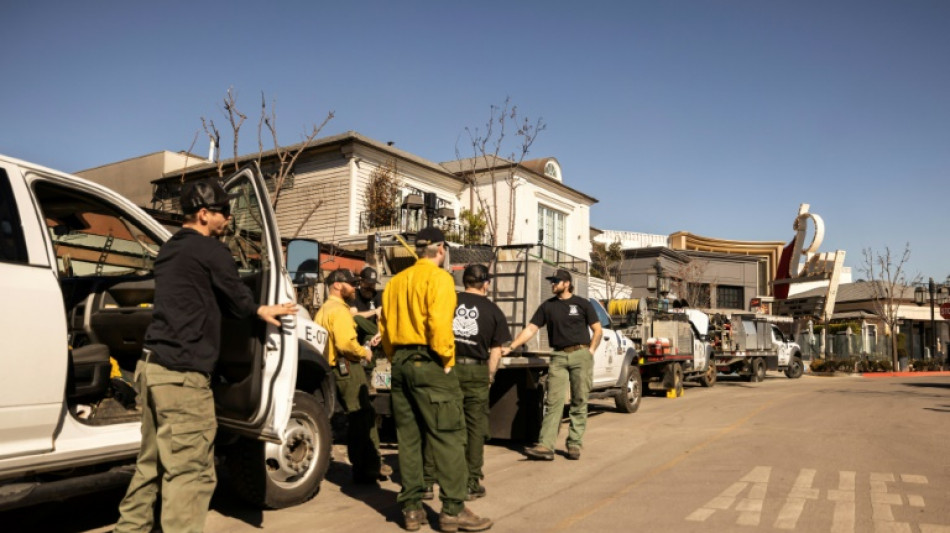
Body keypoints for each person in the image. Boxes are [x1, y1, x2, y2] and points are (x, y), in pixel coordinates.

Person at [114, 179, 298, 533]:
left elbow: (203, 297)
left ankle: (129, 528)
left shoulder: (170, 250)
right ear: (203, 214)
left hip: (152, 370)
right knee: (191, 472)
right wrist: (260, 309)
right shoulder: (211, 250)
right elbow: (237, 300)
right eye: (223, 211)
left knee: (151, 465)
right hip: (183, 378)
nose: (228, 218)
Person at [379, 227, 492, 532]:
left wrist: (394, 357)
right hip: (429, 361)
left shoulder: (395, 282)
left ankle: (412, 510)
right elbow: (439, 324)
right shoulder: (440, 279)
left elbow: (385, 326)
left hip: (400, 363)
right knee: (449, 436)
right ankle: (453, 509)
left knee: (409, 439)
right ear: (441, 249)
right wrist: (447, 361)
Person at [423, 263, 511, 502]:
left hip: (446, 367)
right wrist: (489, 376)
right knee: (474, 429)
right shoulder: (494, 311)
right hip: (476, 372)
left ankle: (427, 481)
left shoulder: (448, 302)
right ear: (486, 283)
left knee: (438, 423)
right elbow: (496, 351)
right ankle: (471, 483)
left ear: (465, 281)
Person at [503, 268, 602, 461]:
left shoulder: (582, 304)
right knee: (553, 402)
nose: (552, 284)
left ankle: (574, 444)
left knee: (579, 400)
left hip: (581, 354)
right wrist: (512, 346)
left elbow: (597, 330)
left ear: (567, 283)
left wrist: (590, 352)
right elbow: (531, 329)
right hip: (558, 356)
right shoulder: (547, 306)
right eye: (552, 281)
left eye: (556, 281)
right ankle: (546, 446)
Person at [316, 268, 390, 484]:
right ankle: (367, 468)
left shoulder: (324, 309)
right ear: (337, 285)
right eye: (350, 284)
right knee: (362, 416)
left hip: (336, 367)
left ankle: (366, 466)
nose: (354, 288)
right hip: (347, 366)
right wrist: (364, 352)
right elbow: (345, 344)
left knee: (359, 416)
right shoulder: (339, 311)